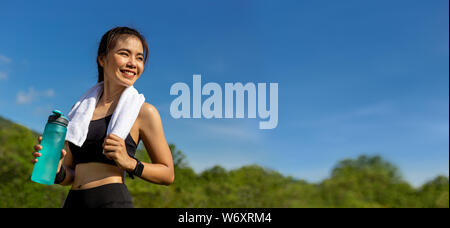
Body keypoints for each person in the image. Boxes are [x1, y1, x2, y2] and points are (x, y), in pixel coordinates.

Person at [31, 26, 174, 208]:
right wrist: (57, 170)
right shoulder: (80, 111)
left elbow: (168, 174)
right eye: (124, 54)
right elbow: (70, 174)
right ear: (102, 59)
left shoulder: (144, 112)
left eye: (139, 57)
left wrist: (130, 163)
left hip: (111, 201)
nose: (133, 63)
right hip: (73, 201)